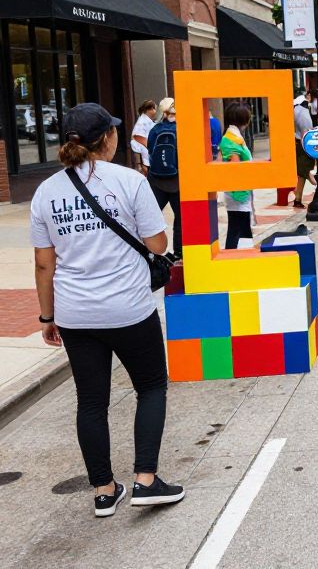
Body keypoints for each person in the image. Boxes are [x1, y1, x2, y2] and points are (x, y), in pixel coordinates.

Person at [31, 103, 185, 518]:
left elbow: (44, 262)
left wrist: (48, 317)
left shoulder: (46, 192)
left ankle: (103, 490)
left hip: (75, 313)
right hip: (129, 308)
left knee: (91, 401)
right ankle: (146, 481)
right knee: (151, 386)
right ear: (108, 139)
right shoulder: (130, 182)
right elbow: (157, 244)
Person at [147, 98, 182, 259]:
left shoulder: (155, 130)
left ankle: (148, 250)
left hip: (156, 180)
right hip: (177, 181)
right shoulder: (182, 129)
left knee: (149, 215)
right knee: (180, 218)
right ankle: (179, 252)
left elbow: (150, 150)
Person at [219, 102, 255, 250]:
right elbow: (236, 168)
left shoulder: (233, 137)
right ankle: (235, 260)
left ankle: (241, 258)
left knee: (239, 229)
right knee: (238, 230)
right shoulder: (232, 140)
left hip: (238, 191)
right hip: (238, 192)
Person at [293, 90, 315, 208]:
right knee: (305, 172)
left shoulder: (296, 110)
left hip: (298, 143)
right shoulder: (302, 112)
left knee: (302, 173)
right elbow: (305, 132)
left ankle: (298, 198)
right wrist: (308, 149)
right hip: (302, 145)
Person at [130, 100, 157, 174]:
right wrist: (139, 164)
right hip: (145, 158)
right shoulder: (142, 122)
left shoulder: (148, 121)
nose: (155, 111)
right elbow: (135, 143)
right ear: (149, 110)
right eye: (153, 109)